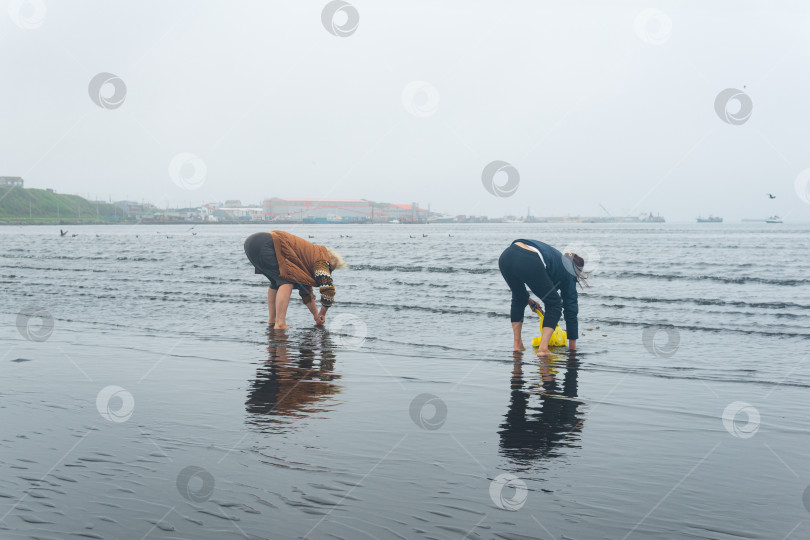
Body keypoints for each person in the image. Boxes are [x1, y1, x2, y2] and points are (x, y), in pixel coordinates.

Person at [498, 239, 588, 354]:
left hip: (507, 256)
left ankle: (517, 344)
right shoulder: (569, 271)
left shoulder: (556, 259)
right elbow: (571, 309)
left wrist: (530, 302)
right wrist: (572, 350)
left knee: (519, 297)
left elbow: (525, 291)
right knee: (554, 304)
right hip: (528, 258)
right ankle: (543, 349)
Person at [244, 231, 346, 329]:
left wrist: (316, 316)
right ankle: (280, 324)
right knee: (287, 282)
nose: (329, 272)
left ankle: (273, 321)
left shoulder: (308, 260)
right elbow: (328, 290)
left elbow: (306, 293)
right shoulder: (322, 260)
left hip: (252, 243)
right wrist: (323, 313)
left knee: (275, 283)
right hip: (267, 244)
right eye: (331, 270)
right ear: (332, 262)